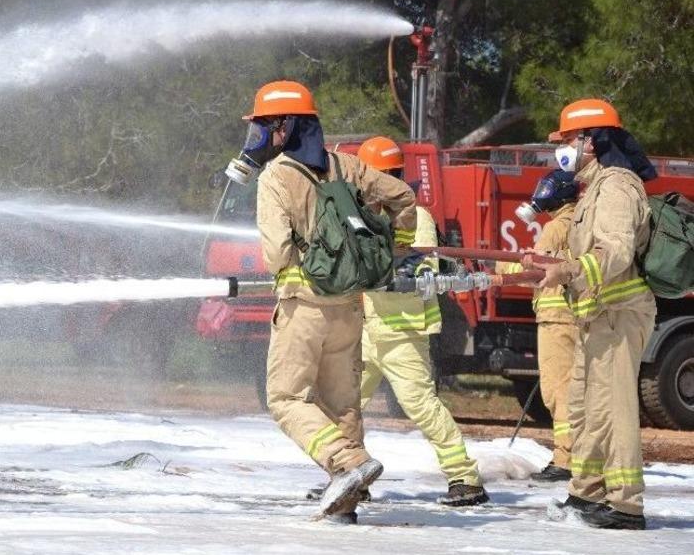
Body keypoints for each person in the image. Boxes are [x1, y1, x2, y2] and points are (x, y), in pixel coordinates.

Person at [237, 81, 417, 523]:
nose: (258, 135)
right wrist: (397, 249)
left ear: (285, 126)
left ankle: (346, 463)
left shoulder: (275, 176)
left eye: (263, 125)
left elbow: (278, 252)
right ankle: (346, 504)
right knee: (344, 405)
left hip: (304, 307)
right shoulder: (346, 164)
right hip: (349, 307)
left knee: (285, 398)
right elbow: (404, 197)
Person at [529, 99, 657, 530]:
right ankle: (586, 493)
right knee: (585, 408)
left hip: (620, 313)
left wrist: (566, 268)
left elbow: (616, 250)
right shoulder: (595, 186)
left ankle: (625, 505)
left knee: (614, 409)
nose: (560, 149)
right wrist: (558, 269)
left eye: (567, 140)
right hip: (595, 315)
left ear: (592, 141)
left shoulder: (618, 185)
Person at [356, 136, 489, 507]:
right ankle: (349, 476)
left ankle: (465, 477)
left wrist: (389, 269)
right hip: (366, 328)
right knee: (346, 405)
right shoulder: (365, 217)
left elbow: (424, 267)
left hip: (403, 331)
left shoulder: (417, 217)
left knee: (421, 406)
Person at [505, 169, 580, 482]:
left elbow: (536, 271)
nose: (540, 194)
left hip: (555, 318)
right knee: (574, 390)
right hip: (573, 315)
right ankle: (577, 456)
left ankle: (565, 460)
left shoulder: (556, 228)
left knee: (557, 391)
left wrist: (500, 266)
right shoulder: (578, 221)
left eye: (545, 188)